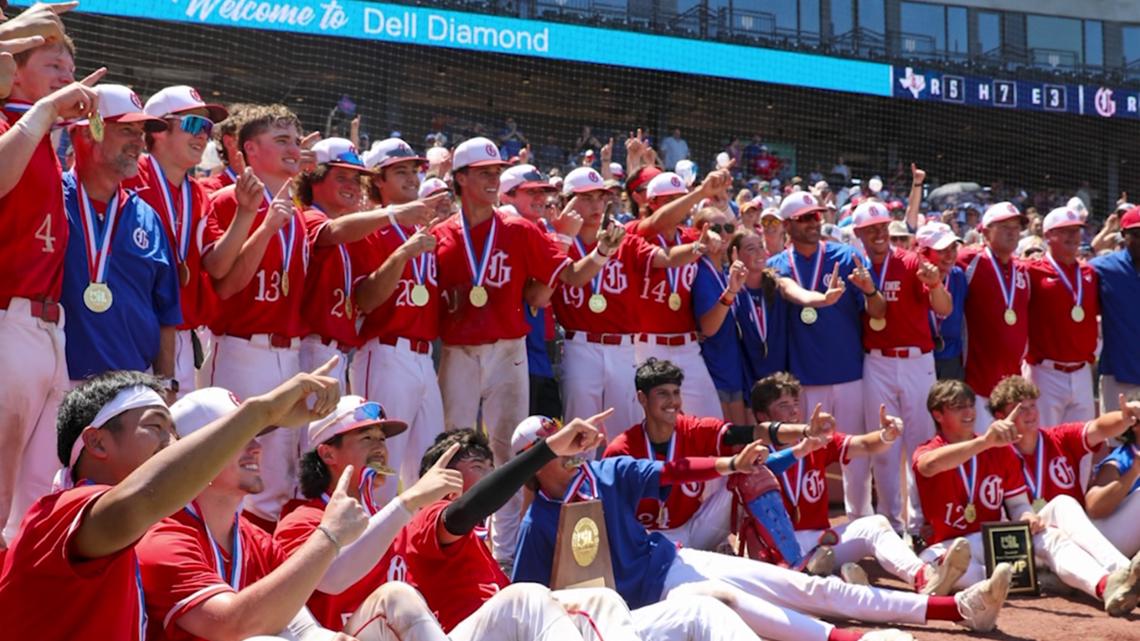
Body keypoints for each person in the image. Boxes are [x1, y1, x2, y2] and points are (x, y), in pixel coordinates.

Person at [512, 416, 1013, 641]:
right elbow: (525, 599)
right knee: (741, 606)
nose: (571, 449)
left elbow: (672, 471)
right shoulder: (537, 525)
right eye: (556, 445)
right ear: (532, 463)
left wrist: (729, 464)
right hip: (648, 604)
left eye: (568, 439)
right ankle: (852, 639)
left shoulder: (605, 472)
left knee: (805, 586)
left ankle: (956, 608)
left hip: (674, 561)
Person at [0, 358, 341, 639]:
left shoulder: (142, 527)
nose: (171, 443)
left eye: (174, 433)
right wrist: (261, 413)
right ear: (98, 442)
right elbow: (142, 498)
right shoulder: (60, 512)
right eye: (156, 427)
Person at [431, 136, 614, 571]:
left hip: (508, 349)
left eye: (497, 172)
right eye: (484, 173)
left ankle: (504, 552)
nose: (493, 179)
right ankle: (450, 542)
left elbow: (569, 277)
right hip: (457, 351)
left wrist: (600, 252)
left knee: (507, 449)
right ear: (460, 178)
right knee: (453, 447)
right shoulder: (441, 234)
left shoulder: (517, 229)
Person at [137, 387, 371, 640]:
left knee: (392, 599)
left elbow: (303, 630)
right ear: (194, 454)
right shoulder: (163, 539)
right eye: (239, 436)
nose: (257, 447)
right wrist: (329, 536)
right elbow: (229, 626)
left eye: (255, 434)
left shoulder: (257, 540)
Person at [0, 25, 97, 542]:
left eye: (69, 68)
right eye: (52, 66)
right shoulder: (10, 123)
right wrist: (42, 114)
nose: (67, 77)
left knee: (38, 492)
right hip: (7, 319)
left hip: (47, 329)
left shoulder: (46, 138)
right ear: (12, 72)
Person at [752, 372, 975, 595]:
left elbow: (864, 445)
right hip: (779, 550)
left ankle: (924, 577)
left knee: (875, 524)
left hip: (820, 543)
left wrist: (886, 435)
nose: (794, 411)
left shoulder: (814, 440)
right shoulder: (752, 453)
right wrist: (799, 451)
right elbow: (763, 468)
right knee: (820, 568)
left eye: (795, 403)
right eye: (783, 406)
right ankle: (835, 581)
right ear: (763, 417)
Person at [200, 103, 312, 530]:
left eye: (295, 141)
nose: (294, 149)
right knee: (233, 469)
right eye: (281, 140)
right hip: (240, 348)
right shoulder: (229, 199)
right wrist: (264, 228)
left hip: (289, 353)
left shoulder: (296, 210)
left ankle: (262, 562)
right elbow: (225, 286)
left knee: (278, 480)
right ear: (250, 149)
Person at [273, 395, 463, 634]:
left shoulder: (392, 519)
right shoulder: (300, 521)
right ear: (328, 454)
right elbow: (331, 579)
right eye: (366, 438)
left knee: (510, 602)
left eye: (382, 439)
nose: (380, 449)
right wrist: (409, 500)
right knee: (396, 596)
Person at [603, 359, 832, 553]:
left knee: (750, 472)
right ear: (642, 398)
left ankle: (786, 558)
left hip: (695, 529)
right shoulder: (622, 449)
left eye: (676, 393)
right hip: (648, 541)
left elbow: (756, 432)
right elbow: (611, 515)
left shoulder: (693, 429)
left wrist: (805, 431)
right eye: (662, 394)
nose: (672, 401)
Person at [767, 192, 883, 520]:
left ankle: (861, 519)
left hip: (849, 373)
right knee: (805, 453)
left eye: (816, 216)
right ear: (787, 224)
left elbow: (876, 311)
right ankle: (807, 522)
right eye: (804, 218)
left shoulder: (845, 257)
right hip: (803, 379)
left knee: (855, 454)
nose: (813, 223)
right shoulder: (776, 266)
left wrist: (870, 290)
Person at [350, 136, 452, 504]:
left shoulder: (423, 229)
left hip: (424, 358)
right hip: (385, 352)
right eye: (400, 171)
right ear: (377, 179)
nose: (411, 177)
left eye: (414, 170)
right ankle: (371, 539)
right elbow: (365, 300)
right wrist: (403, 255)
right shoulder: (370, 229)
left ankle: (420, 539)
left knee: (431, 468)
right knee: (380, 469)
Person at [985, 376, 1140, 615]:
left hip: (1084, 539)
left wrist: (1124, 418)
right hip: (1028, 544)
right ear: (1000, 417)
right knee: (1062, 504)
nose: (1030, 413)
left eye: (1032, 405)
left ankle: (1104, 579)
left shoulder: (1058, 438)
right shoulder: (994, 454)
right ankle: (1123, 572)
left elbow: (1099, 428)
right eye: (1020, 408)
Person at [61, 84, 181, 383]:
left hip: (133, 385)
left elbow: (166, 312)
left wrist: (166, 383)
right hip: (57, 382)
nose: (138, 142)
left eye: (141, 133)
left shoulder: (148, 217)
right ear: (88, 132)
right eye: (127, 130)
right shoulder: (51, 197)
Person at [848, 201, 949, 534]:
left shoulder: (909, 261)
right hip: (877, 361)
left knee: (922, 443)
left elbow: (944, 309)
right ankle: (889, 525)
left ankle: (922, 525)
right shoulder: (854, 265)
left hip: (917, 361)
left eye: (883, 226)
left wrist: (936, 284)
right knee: (884, 446)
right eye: (870, 229)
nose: (879, 233)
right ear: (858, 233)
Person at [131, 85, 231, 397]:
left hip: (184, 337)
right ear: (158, 129)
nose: (202, 135)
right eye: (192, 123)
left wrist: (247, 215)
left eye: (207, 127)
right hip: (133, 331)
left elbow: (217, 266)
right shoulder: (129, 177)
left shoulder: (197, 193)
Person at [626, 169, 732, 419]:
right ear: (652, 203)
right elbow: (657, 224)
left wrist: (720, 210)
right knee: (649, 420)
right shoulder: (637, 232)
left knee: (710, 418)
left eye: (681, 198)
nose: (679, 205)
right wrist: (700, 193)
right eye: (670, 200)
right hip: (646, 346)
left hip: (687, 345)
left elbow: (727, 230)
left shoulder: (690, 235)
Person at [294, 137, 373, 387]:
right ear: (314, 178)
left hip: (336, 350)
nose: (352, 186)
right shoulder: (310, 217)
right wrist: (392, 214)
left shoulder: (349, 231)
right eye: (341, 177)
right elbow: (333, 232)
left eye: (356, 179)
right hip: (311, 347)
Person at [1022, 206, 1099, 426]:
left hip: (1082, 372)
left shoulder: (1089, 273)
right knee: (1044, 437)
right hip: (1045, 372)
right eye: (1065, 231)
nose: (1073, 236)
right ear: (1048, 235)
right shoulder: (1031, 271)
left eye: (1076, 230)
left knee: (1082, 440)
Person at [956, 202, 1030, 427]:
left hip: (1012, 385)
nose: (1012, 232)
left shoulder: (1023, 269)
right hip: (976, 382)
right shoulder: (968, 260)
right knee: (983, 444)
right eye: (1005, 226)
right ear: (986, 232)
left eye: (1016, 227)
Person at [1091, 207, 1140, 414]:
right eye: (1136, 234)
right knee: (1115, 433)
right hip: (1118, 375)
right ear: (1123, 235)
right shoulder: (1103, 268)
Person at [1086, 406, 1140, 557]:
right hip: (1108, 546)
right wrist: (1133, 472)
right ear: (1135, 425)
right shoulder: (1119, 459)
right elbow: (1094, 507)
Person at [916, 222, 966, 381]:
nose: (950, 256)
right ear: (923, 252)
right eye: (942, 250)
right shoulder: (913, 278)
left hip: (952, 359)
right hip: (920, 359)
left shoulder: (958, 276)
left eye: (953, 248)